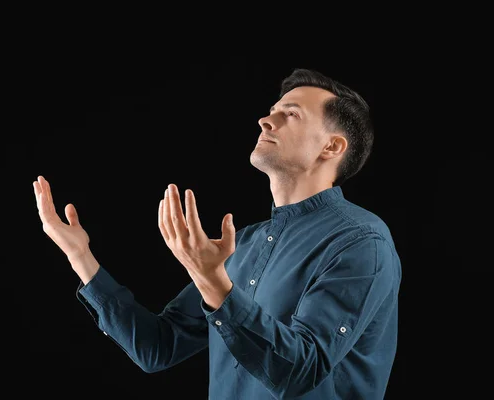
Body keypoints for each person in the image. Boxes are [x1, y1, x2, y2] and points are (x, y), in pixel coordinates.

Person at [32, 68, 401, 399]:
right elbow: (157, 347)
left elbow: (299, 372)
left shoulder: (361, 242)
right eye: (272, 110)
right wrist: (81, 257)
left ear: (332, 147)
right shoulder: (244, 244)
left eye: (290, 114)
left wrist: (214, 283)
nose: (265, 120)